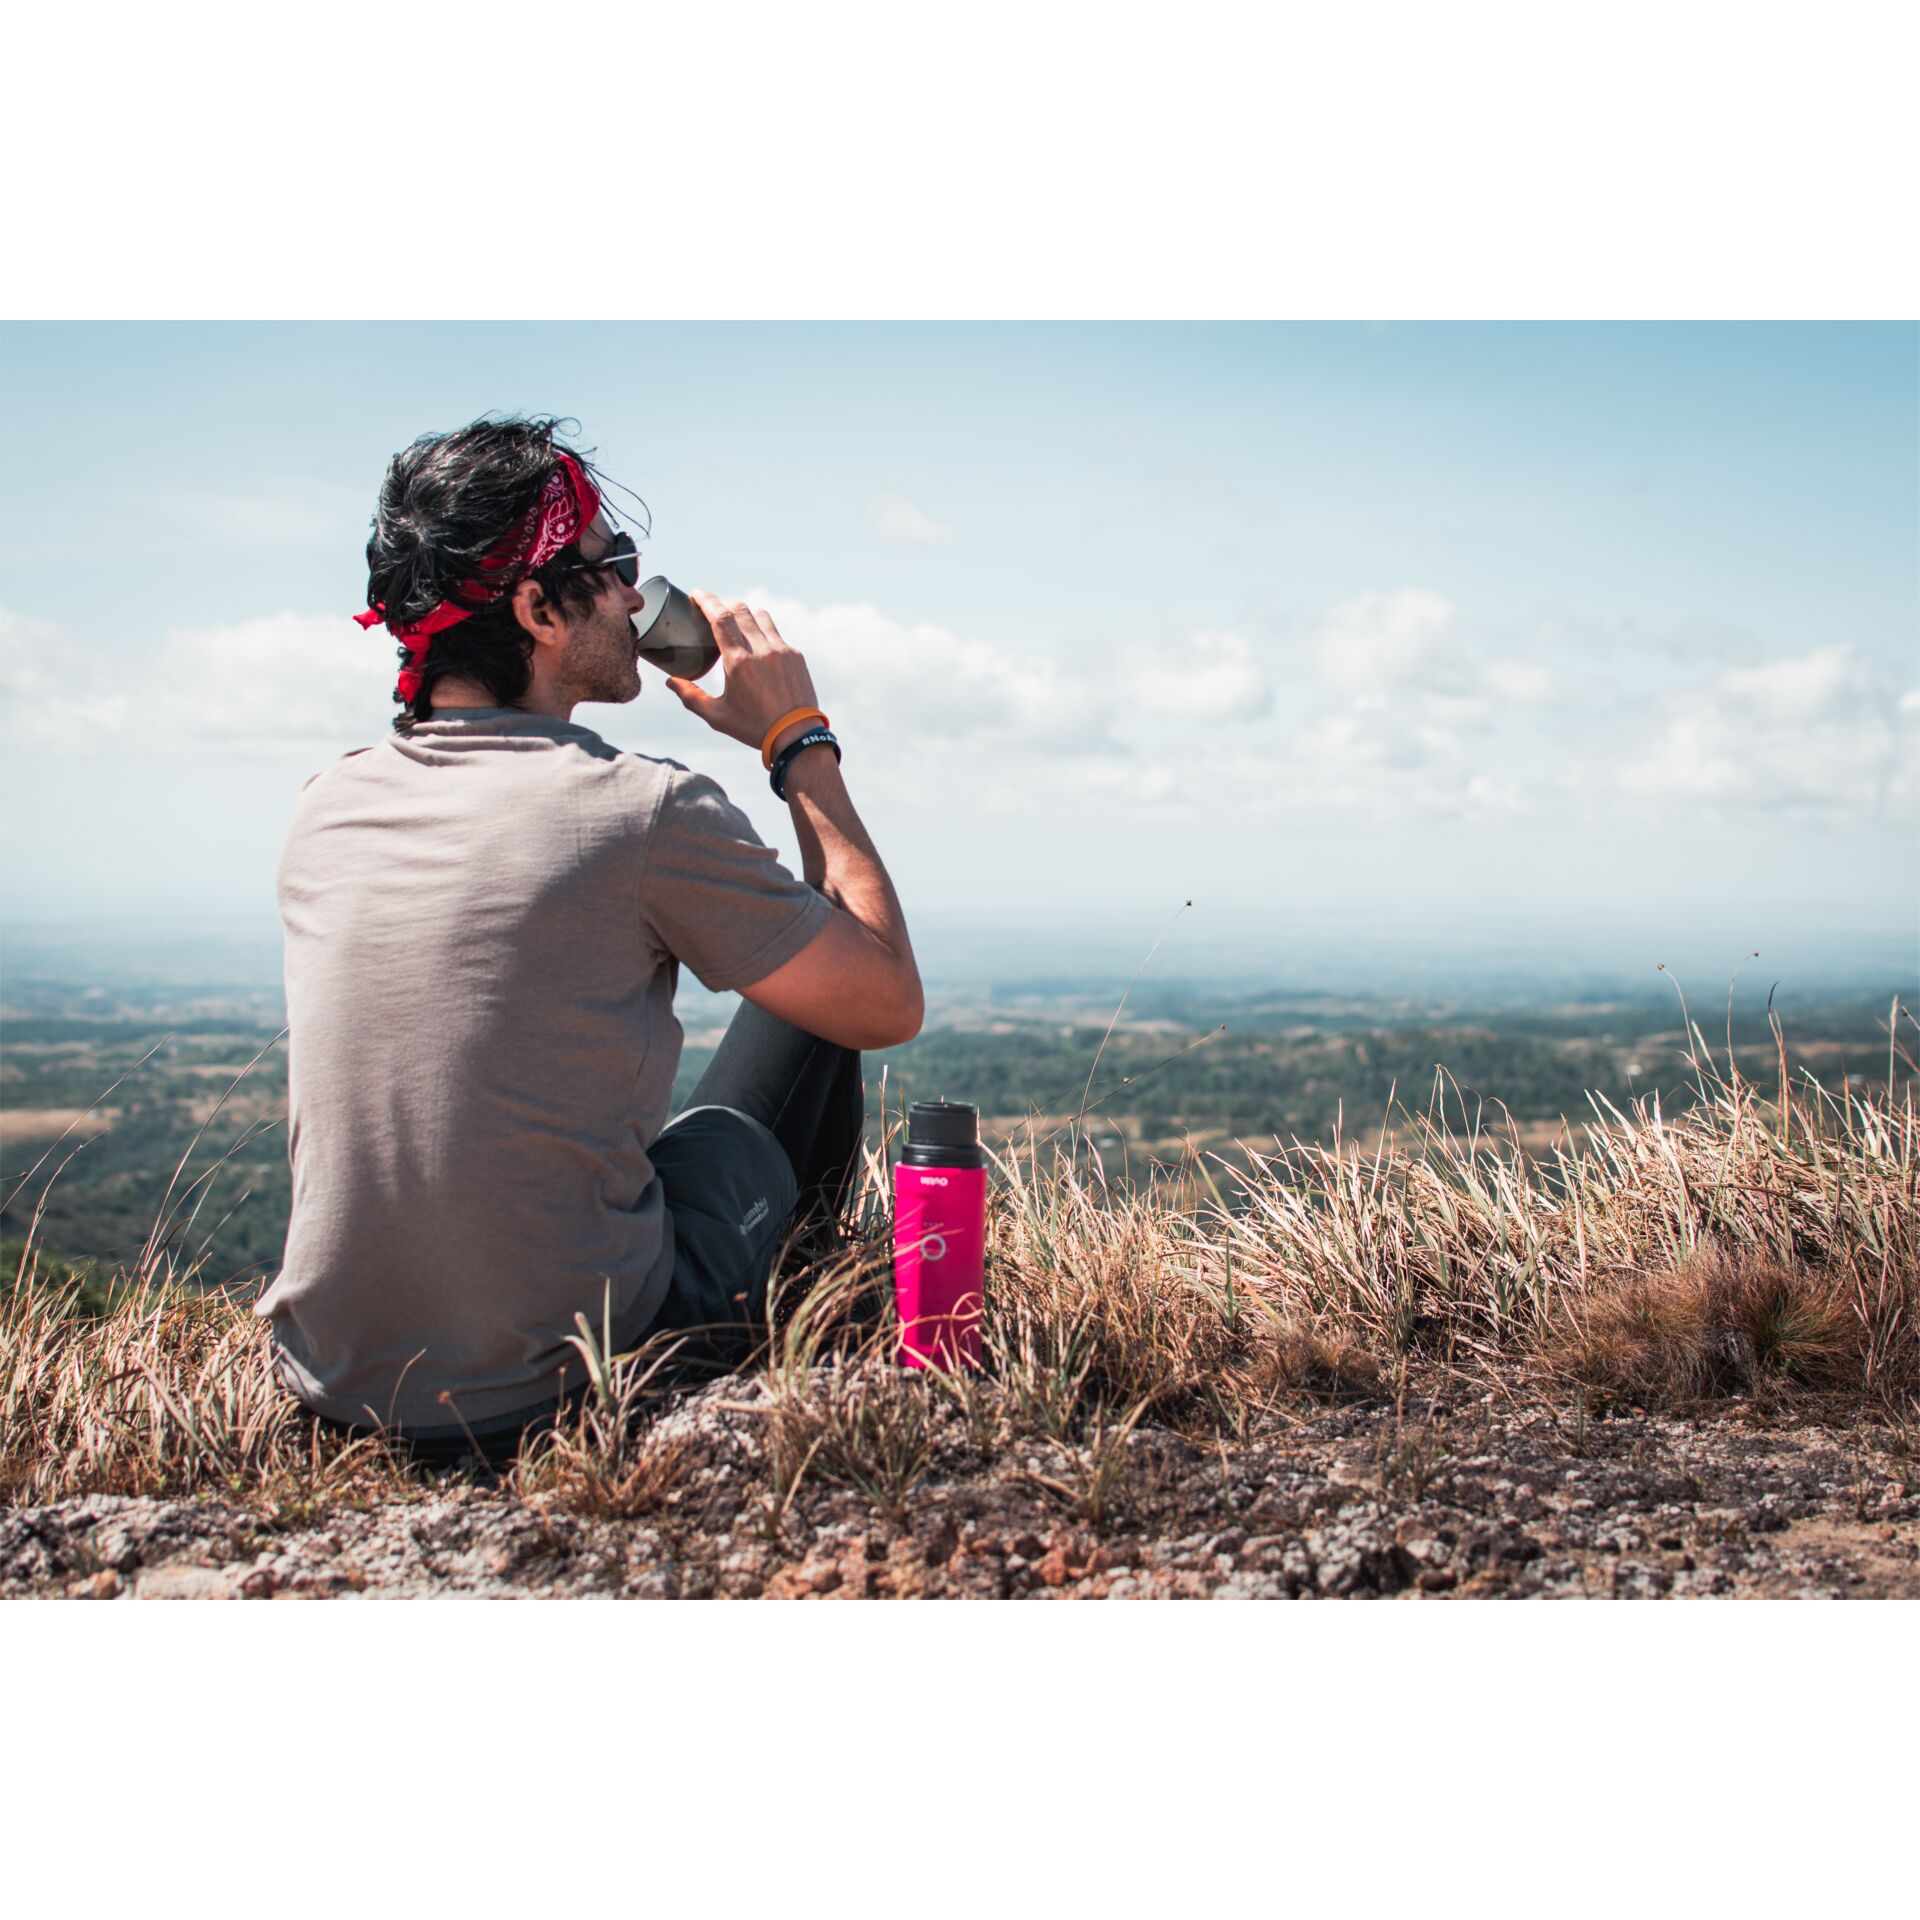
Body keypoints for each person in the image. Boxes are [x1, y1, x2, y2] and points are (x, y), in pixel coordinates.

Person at [255, 416, 922, 1462]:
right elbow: (884, 997)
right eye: (615, 570)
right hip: (549, 1396)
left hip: (335, 1388)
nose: (633, 598)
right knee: (765, 1088)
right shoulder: (638, 809)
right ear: (538, 607)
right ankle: (808, 1358)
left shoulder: (324, 806)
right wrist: (799, 738)